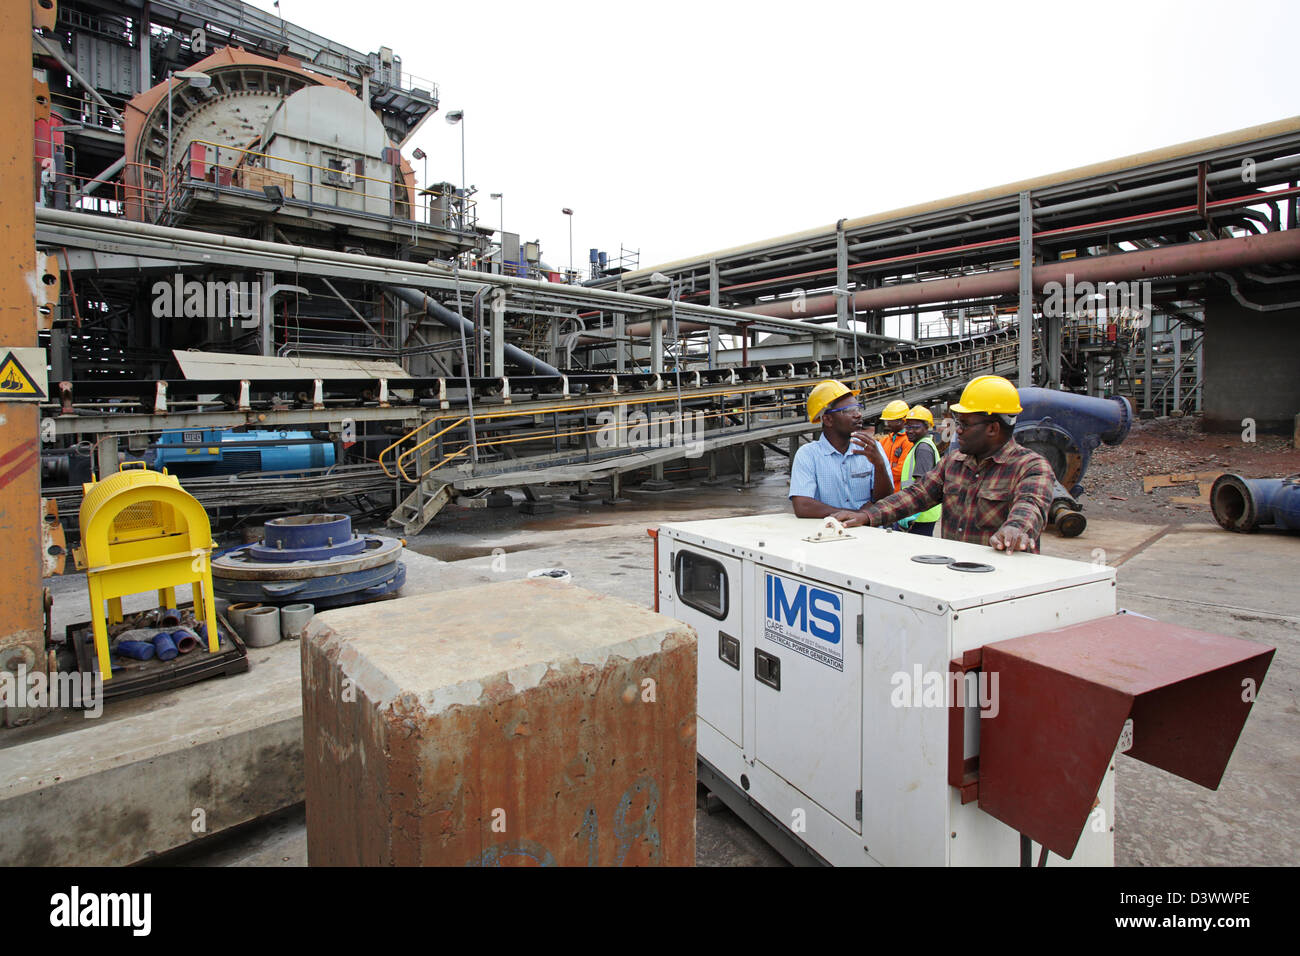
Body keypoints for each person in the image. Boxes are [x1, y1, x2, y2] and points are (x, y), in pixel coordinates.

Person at [840, 376, 1054, 552]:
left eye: (964, 424)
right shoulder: (954, 463)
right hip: (956, 577)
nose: (957, 430)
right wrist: (867, 516)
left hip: (1000, 588)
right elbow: (915, 495)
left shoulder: (1031, 467)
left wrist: (1014, 530)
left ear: (993, 428)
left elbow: (1030, 507)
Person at [790, 381, 893, 520]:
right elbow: (803, 506)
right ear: (828, 420)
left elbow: (885, 500)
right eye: (849, 410)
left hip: (869, 534)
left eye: (858, 408)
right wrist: (855, 515)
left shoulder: (871, 449)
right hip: (828, 534)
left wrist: (879, 465)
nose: (858, 415)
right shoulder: (808, 455)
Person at [897, 405, 942, 537]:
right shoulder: (921, 445)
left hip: (919, 515)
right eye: (908, 427)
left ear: (927, 427)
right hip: (920, 512)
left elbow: (921, 485)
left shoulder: (923, 448)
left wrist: (912, 514)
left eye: (916, 427)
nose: (910, 431)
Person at [877, 400, 913, 491]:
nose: (887, 424)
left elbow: (901, 469)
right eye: (886, 421)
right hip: (886, 490)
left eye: (890, 421)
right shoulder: (885, 441)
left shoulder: (908, 441)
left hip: (899, 492)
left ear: (900, 421)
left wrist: (881, 478)